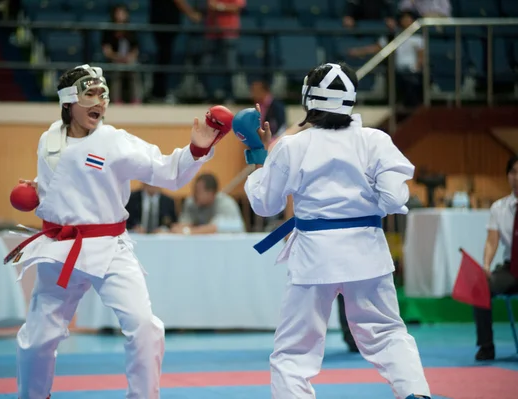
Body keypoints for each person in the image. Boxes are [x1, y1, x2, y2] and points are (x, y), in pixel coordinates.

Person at [4, 64, 227, 399]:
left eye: (103, 94)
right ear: (68, 102)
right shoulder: (48, 138)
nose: (100, 101)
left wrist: (195, 150)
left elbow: (167, 172)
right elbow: (66, 180)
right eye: (90, 94)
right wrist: (38, 189)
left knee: (145, 328)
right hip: (58, 247)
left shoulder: (115, 142)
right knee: (35, 339)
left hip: (109, 248)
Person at [242, 63, 431, 399]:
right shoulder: (374, 140)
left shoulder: (291, 146)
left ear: (307, 99)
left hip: (315, 257)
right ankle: (415, 392)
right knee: (387, 332)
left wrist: (260, 159)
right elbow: (394, 198)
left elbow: (264, 205)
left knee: (294, 351)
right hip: (367, 253)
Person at [473, 154, 518, 361]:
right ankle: (486, 346)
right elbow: (492, 241)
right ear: (508, 176)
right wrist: (486, 265)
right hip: (512, 268)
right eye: (513, 172)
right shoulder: (499, 208)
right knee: (480, 286)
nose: (517, 177)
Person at [171, 173, 245, 234]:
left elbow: (216, 228)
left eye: (198, 192)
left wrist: (188, 231)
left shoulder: (226, 204)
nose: (194, 195)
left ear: (211, 193)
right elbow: (183, 225)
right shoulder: (191, 202)